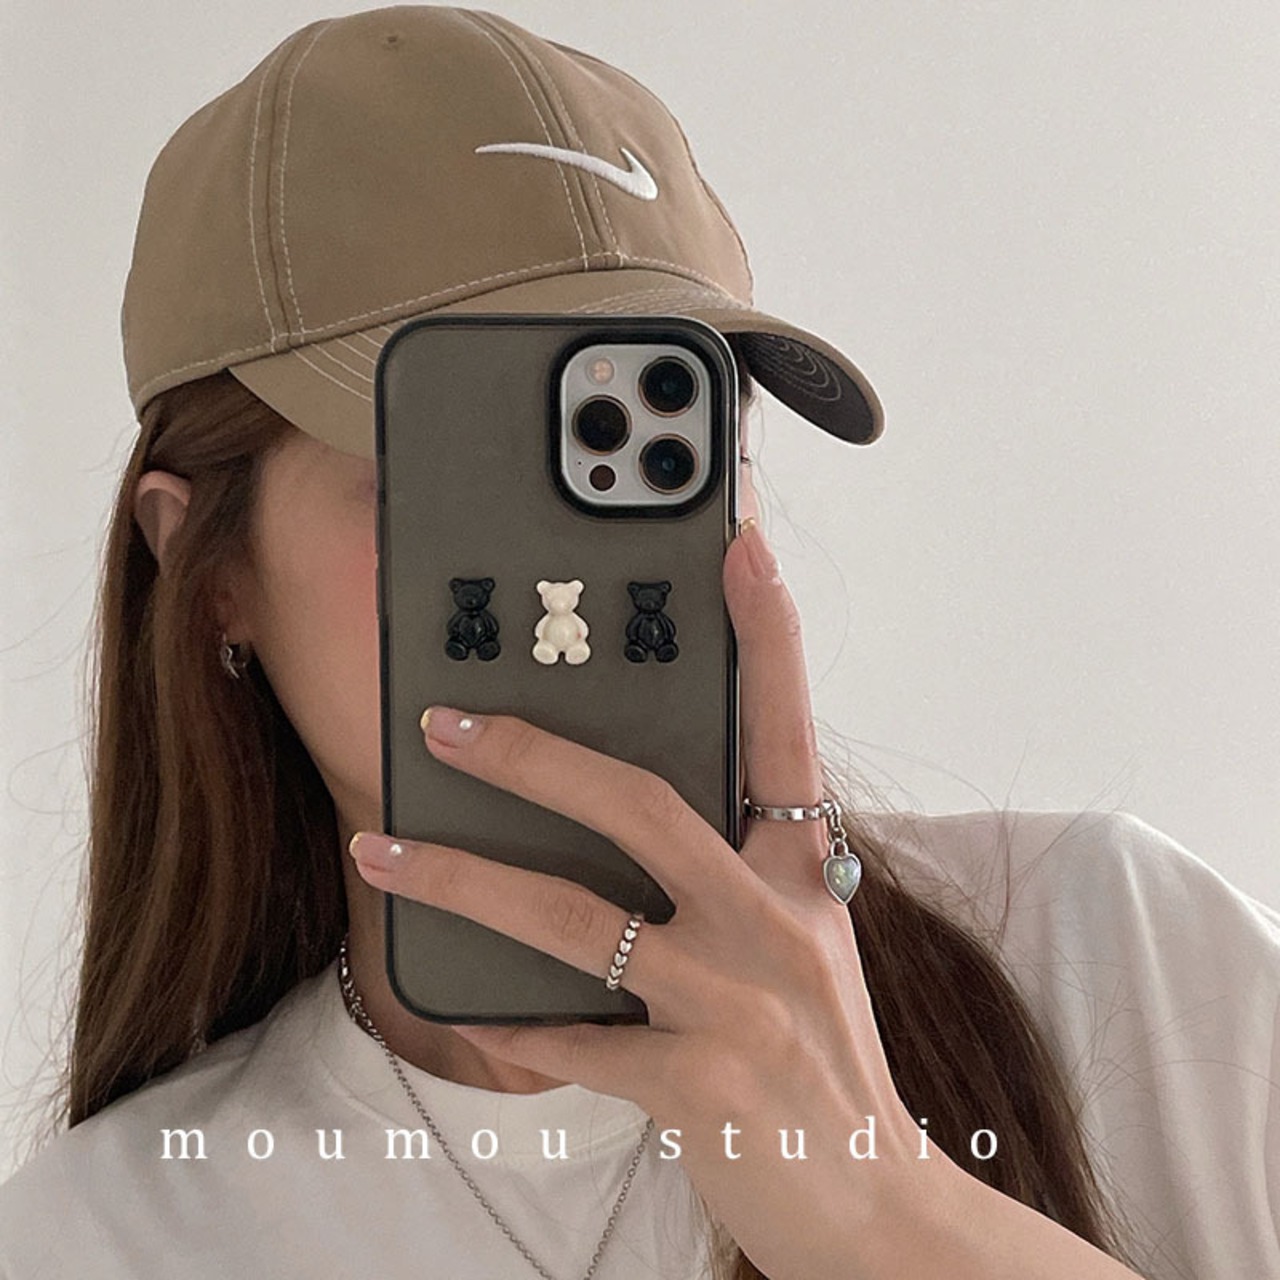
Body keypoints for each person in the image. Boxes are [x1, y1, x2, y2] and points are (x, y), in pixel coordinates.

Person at [1, 6, 1276, 1278]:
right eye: (457, 478)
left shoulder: (1126, 962)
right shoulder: (104, 1235)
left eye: (664, 454)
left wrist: (892, 1214)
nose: (568, 582)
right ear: (210, 573)